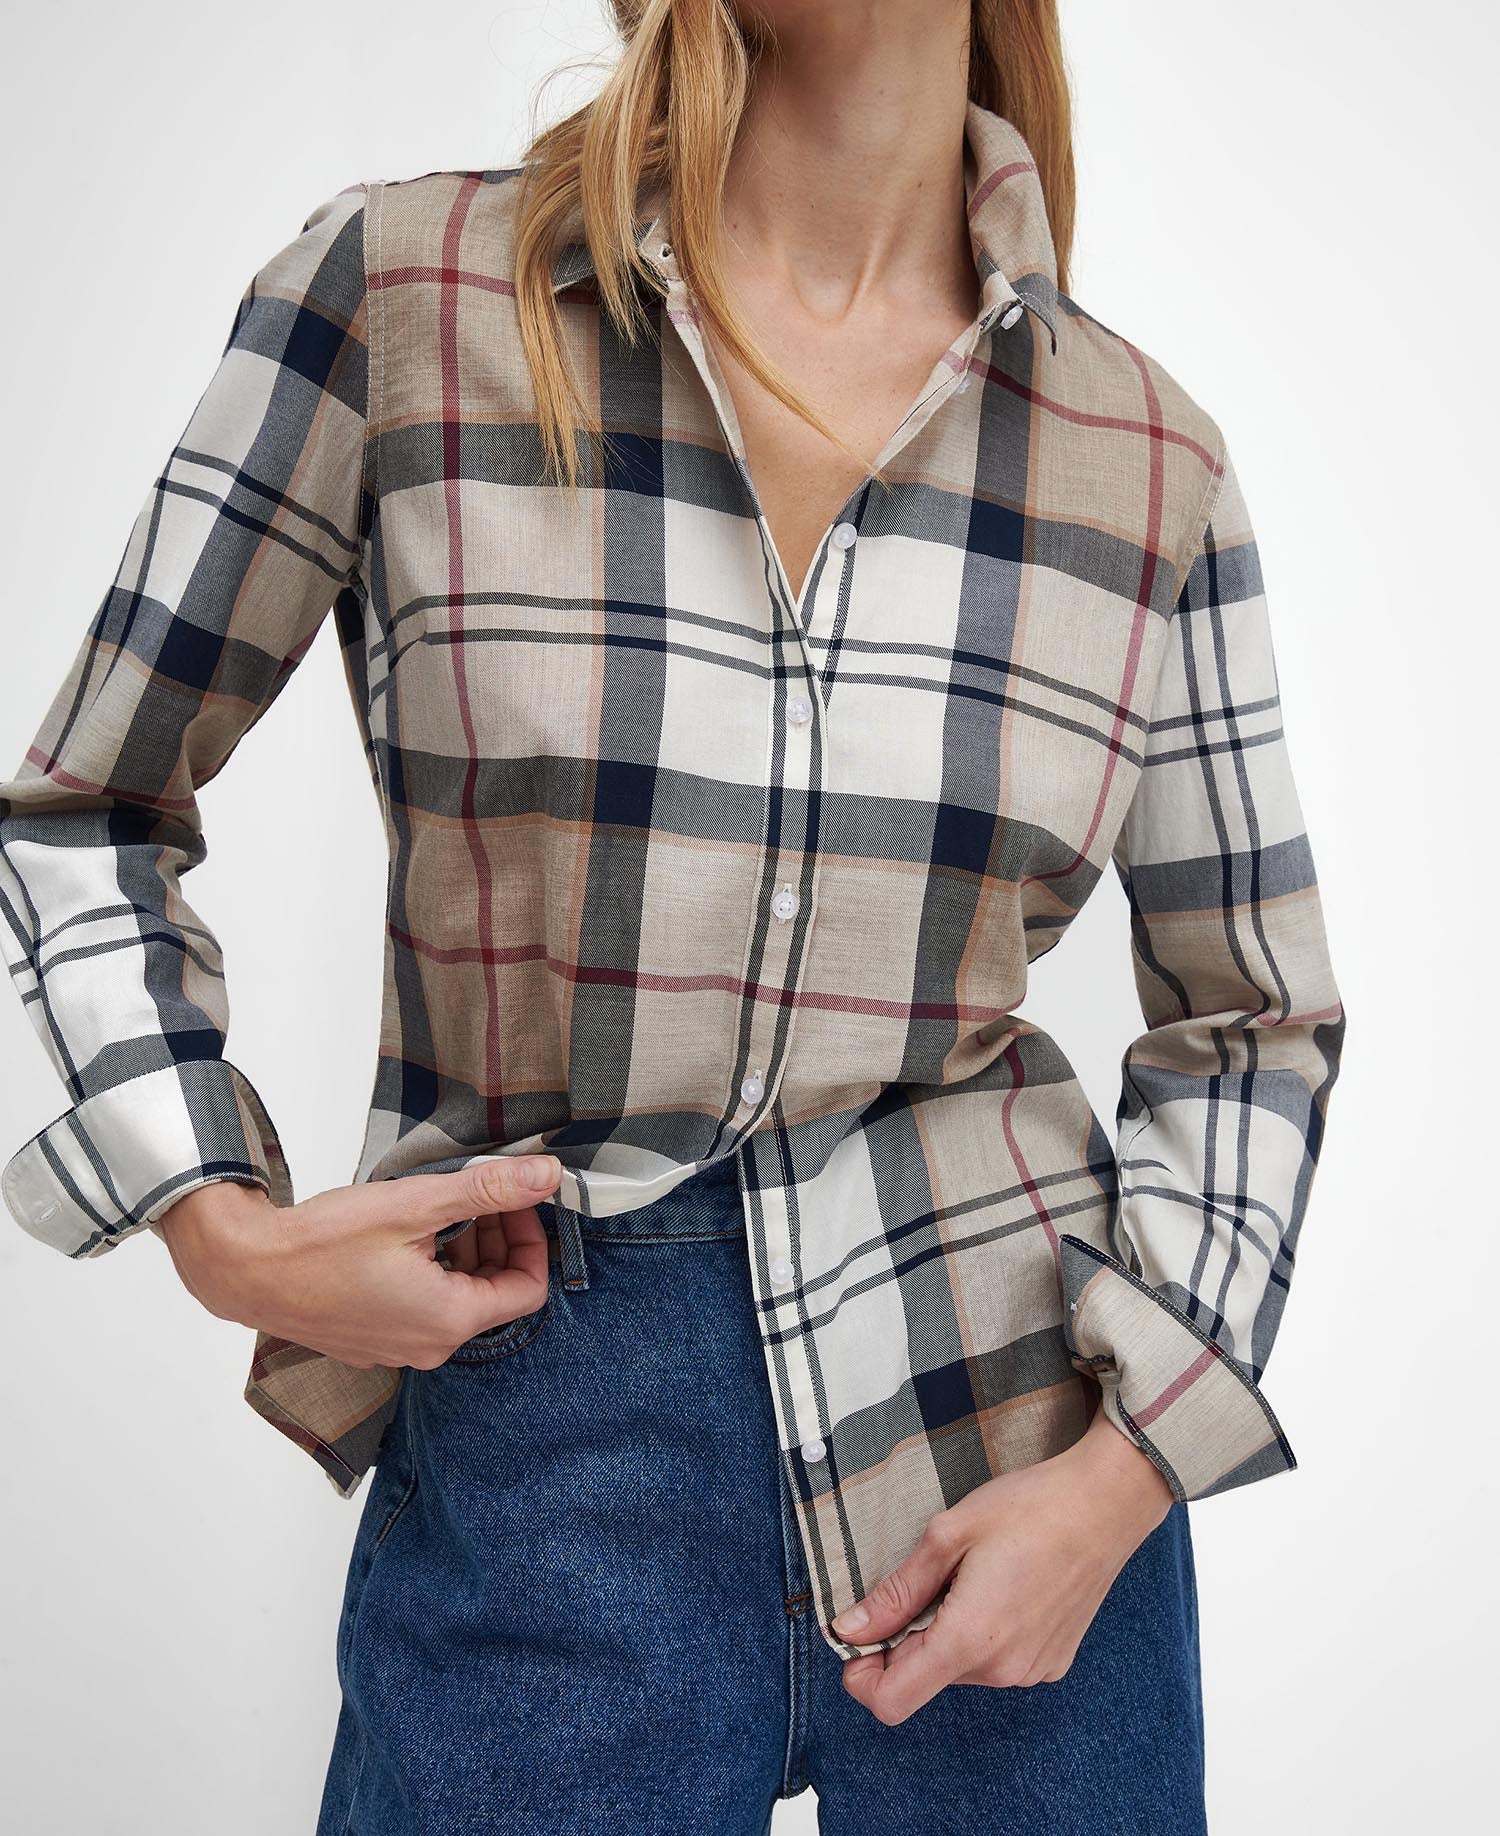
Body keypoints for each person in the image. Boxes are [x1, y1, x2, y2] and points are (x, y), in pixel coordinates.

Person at [0, 2, 1347, 1831]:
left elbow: (1251, 1020)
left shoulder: (1140, 453)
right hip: (546, 1427)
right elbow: (87, 803)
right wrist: (216, 1223)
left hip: (1016, 1466)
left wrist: (1122, 1480)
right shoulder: (406, 295)